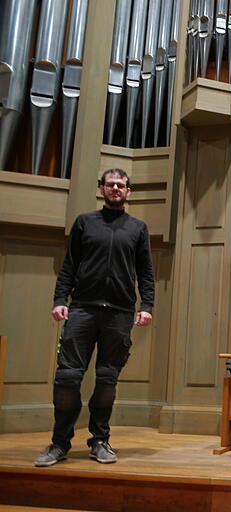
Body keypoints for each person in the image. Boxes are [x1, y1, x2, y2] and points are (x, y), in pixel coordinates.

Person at [35, 168, 155, 467]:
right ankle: (59, 443)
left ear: (129, 191)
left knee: (106, 379)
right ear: (101, 188)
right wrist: (60, 299)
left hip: (119, 313)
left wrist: (147, 305)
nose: (115, 188)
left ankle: (99, 441)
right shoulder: (84, 222)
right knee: (67, 377)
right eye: (110, 184)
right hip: (82, 310)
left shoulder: (138, 228)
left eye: (121, 185)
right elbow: (69, 266)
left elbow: (146, 273)